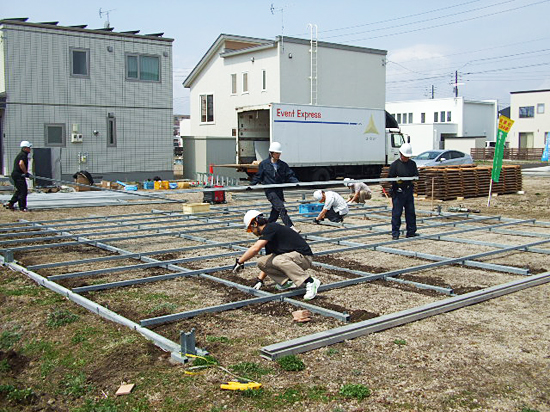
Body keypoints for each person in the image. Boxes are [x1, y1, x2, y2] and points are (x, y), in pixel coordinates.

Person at [231, 210, 321, 300]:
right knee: (261, 262)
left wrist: (240, 261)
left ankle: (310, 281)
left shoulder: (270, 227)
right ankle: (287, 282)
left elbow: (255, 248)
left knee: (278, 260)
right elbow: (267, 261)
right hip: (292, 258)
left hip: (304, 257)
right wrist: (260, 280)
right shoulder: (268, 235)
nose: (253, 233)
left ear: (255, 224)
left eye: (251, 229)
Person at [251, 142, 300, 232]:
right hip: (270, 191)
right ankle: (290, 227)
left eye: (279, 153)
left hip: (279, 191)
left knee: (275, 212)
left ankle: (266, 228)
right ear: (271, 153)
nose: (278, 155)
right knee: (281, 208)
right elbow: (259, 176)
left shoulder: (283, 165)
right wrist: (251, 185)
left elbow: (290, 175)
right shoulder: (264, 164)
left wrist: (296, 182)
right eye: (277, 153)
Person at [388, 143, 419, 240]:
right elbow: (390, 178)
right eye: (405, 157)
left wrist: (414, 179)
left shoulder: (412, 164)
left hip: (408, 191)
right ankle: (395, 233)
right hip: (398, 191)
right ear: (401, 154)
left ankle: (411, 231)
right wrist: (396, 181)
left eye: (408, 157)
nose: (406, 158)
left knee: (410, 212)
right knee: (397, 213)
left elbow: (416, 176)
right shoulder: (395, 165)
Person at [4, 141, 33, 212]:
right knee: (23, 191)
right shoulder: (23, 155)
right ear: (25, 148)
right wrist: (26, 172)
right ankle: (22, 207)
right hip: (18, 175)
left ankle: (10, 203)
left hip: (16, 174)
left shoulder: (22, 154)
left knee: (19, 190)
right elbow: (21, 164)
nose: (30, 149)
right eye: (29, 148)